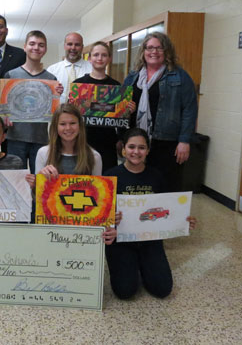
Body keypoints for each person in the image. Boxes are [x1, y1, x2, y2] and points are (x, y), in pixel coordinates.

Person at [103, 128, 196, 299]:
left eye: (141, 148)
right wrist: (110, 220)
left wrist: (182, 221)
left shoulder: (157, 176)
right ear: (123, 149)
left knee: (162, 289)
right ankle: (131, 265)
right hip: (120, 240)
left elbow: (169, 210)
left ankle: (143, 264)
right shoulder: (110, 176)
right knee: (125, 291)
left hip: (149, 240)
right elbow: (101, 214)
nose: (136, 152)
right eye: (131, 147)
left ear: (148, 151)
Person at [124, 32, 198, 191]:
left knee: (166, 185)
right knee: (139, 185)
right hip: (137, 141)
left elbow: (189, 110)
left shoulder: (180, 76)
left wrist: (184, 141)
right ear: (143, 51)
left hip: (167, 141)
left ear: (167, 51)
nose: (154, 52)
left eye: (159, 48)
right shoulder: (132, 77)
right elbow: (121, 108)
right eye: (149, 47)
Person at [4, 30, 63, 174]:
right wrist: (4, 117)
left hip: (41, 139)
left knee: (40, 180)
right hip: (15, 137)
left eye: (41, 45)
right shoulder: (11, 75)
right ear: (25, 47)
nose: (36, 48)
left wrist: (56, 96)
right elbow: (5, 108)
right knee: (17, 180)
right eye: (32, 44)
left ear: (45, 49)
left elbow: (53, 112)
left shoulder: (51, 79)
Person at [73, 41, 135, 173]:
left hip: (107, 142)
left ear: (109, 59)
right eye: (96, 55)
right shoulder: (78, 85)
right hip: (83, 140)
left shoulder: (117, 87)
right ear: (89, 59)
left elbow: (122, 121)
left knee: (106, 182)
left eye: (104, 55)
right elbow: (71, 116)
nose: (99, 58)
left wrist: (129, 110)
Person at [47, 32, 92, 104]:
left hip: (83, 114)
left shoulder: (92, 69)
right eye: (70, 44)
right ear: (64, 46)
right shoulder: (52, 70)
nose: (73, 48)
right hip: (59, 113)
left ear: (82, 47)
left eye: (77, 45)